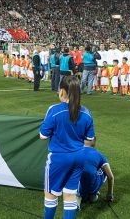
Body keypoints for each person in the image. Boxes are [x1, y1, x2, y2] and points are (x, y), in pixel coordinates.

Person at [40, 76, 95, 219]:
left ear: (63, 91)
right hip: (79, 157)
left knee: (51, 195)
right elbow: (90, 140)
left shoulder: (54, 110)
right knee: (70, 195)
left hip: (58, 158)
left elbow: (42, 135)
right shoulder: (86, 113)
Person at [78, 137, 114, 205]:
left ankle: (79, 195)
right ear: (94, 144)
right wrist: (110, 194)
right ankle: (93, 193)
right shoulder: (100, 155)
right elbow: (111, 177)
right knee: (103, 170)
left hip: (75, 187)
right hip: (92, 186)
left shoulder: (74, 152)